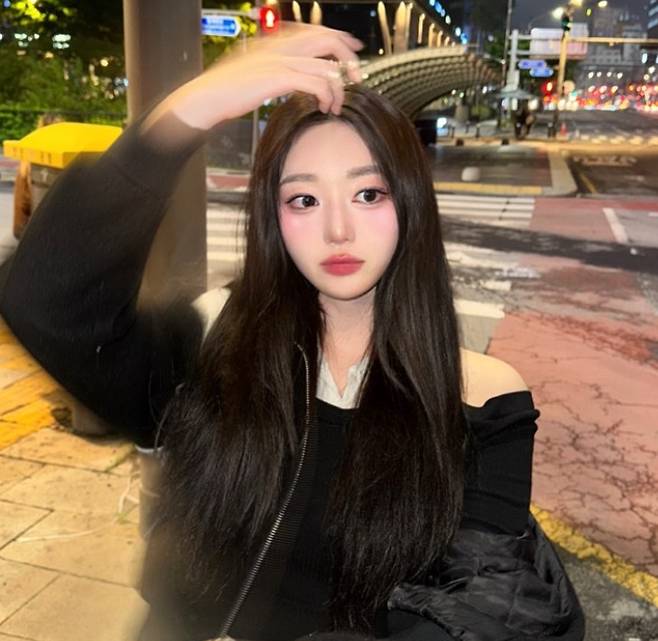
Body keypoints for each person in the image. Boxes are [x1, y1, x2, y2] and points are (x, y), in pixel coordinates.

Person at [0, 24, 584, 641]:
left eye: (368, 193)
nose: (338, 230)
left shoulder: (480, 397)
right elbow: (47, 302)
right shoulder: (213, 343)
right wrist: (187, 111)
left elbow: (478, 607)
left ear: (410, 203)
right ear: (272, 218)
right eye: (303, 200)